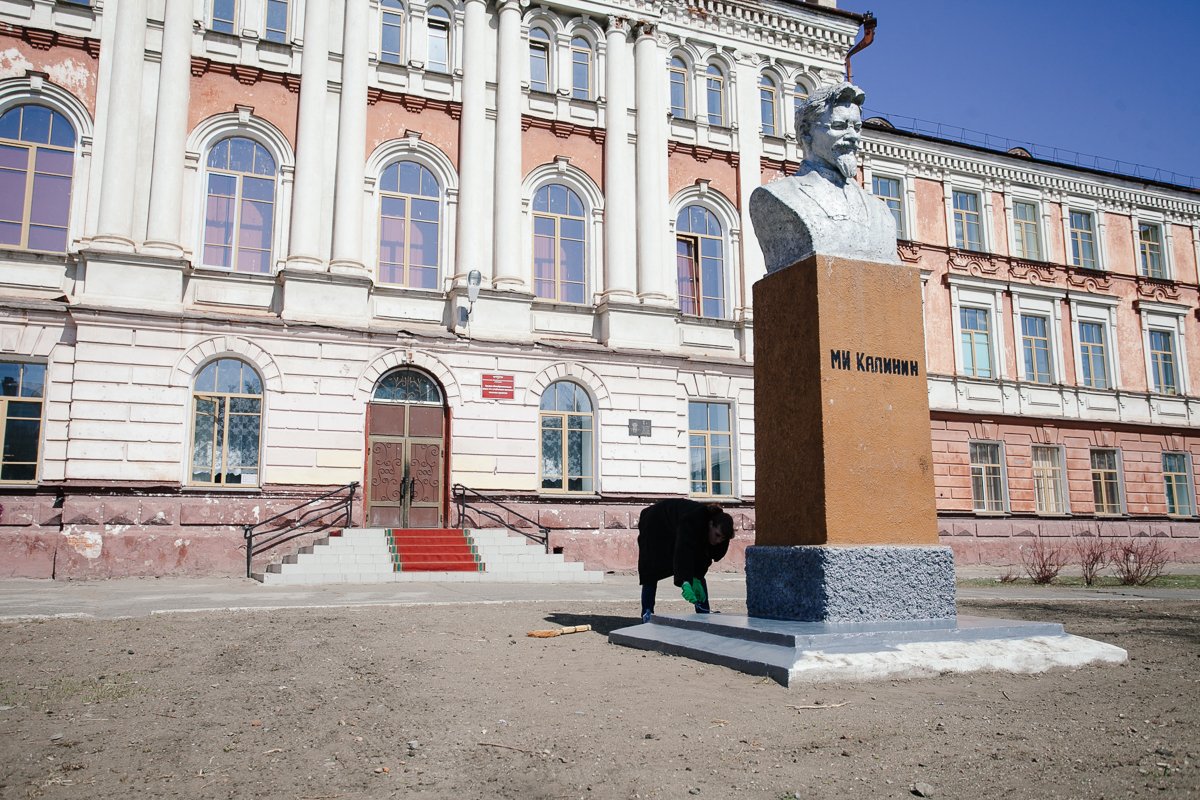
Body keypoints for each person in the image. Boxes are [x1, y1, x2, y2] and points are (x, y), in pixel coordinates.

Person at [749, 80, 899, 271]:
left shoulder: (881, 212)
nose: (853, 136)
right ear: (805, 132)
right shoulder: (777, 197)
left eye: (857, 127)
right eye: (839, 126)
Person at [636, 499, 735, 623]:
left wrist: (697, 577)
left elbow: (704, 557)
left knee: (698, 576)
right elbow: (683, 550)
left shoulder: (720, 531)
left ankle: (703, 611)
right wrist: (685, 581)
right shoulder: (693, 520)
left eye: (723, 538)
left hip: (676, 528)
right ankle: (647, 612)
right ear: (710, 524)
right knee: (651, 570)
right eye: (717, 535)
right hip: (656, 524)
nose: (719, 541)